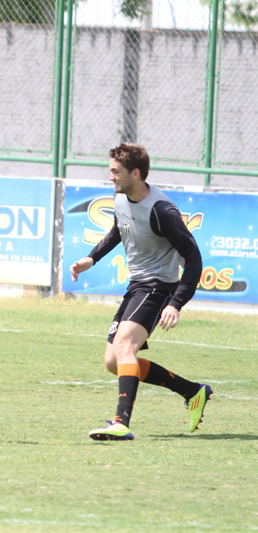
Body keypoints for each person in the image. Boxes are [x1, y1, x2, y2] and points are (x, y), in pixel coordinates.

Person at [70, 143, 211, 441]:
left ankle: (121, 422)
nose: (110, 177)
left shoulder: (163, 212)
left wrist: (176, 303)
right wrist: (91, 258)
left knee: (124, 348)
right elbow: (118, 229)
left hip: (158, 286)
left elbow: (194, 258)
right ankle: (192, 391)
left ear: (135, 173)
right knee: (113, 361)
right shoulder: (121, 196)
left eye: (115, 172)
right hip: (138, 285)